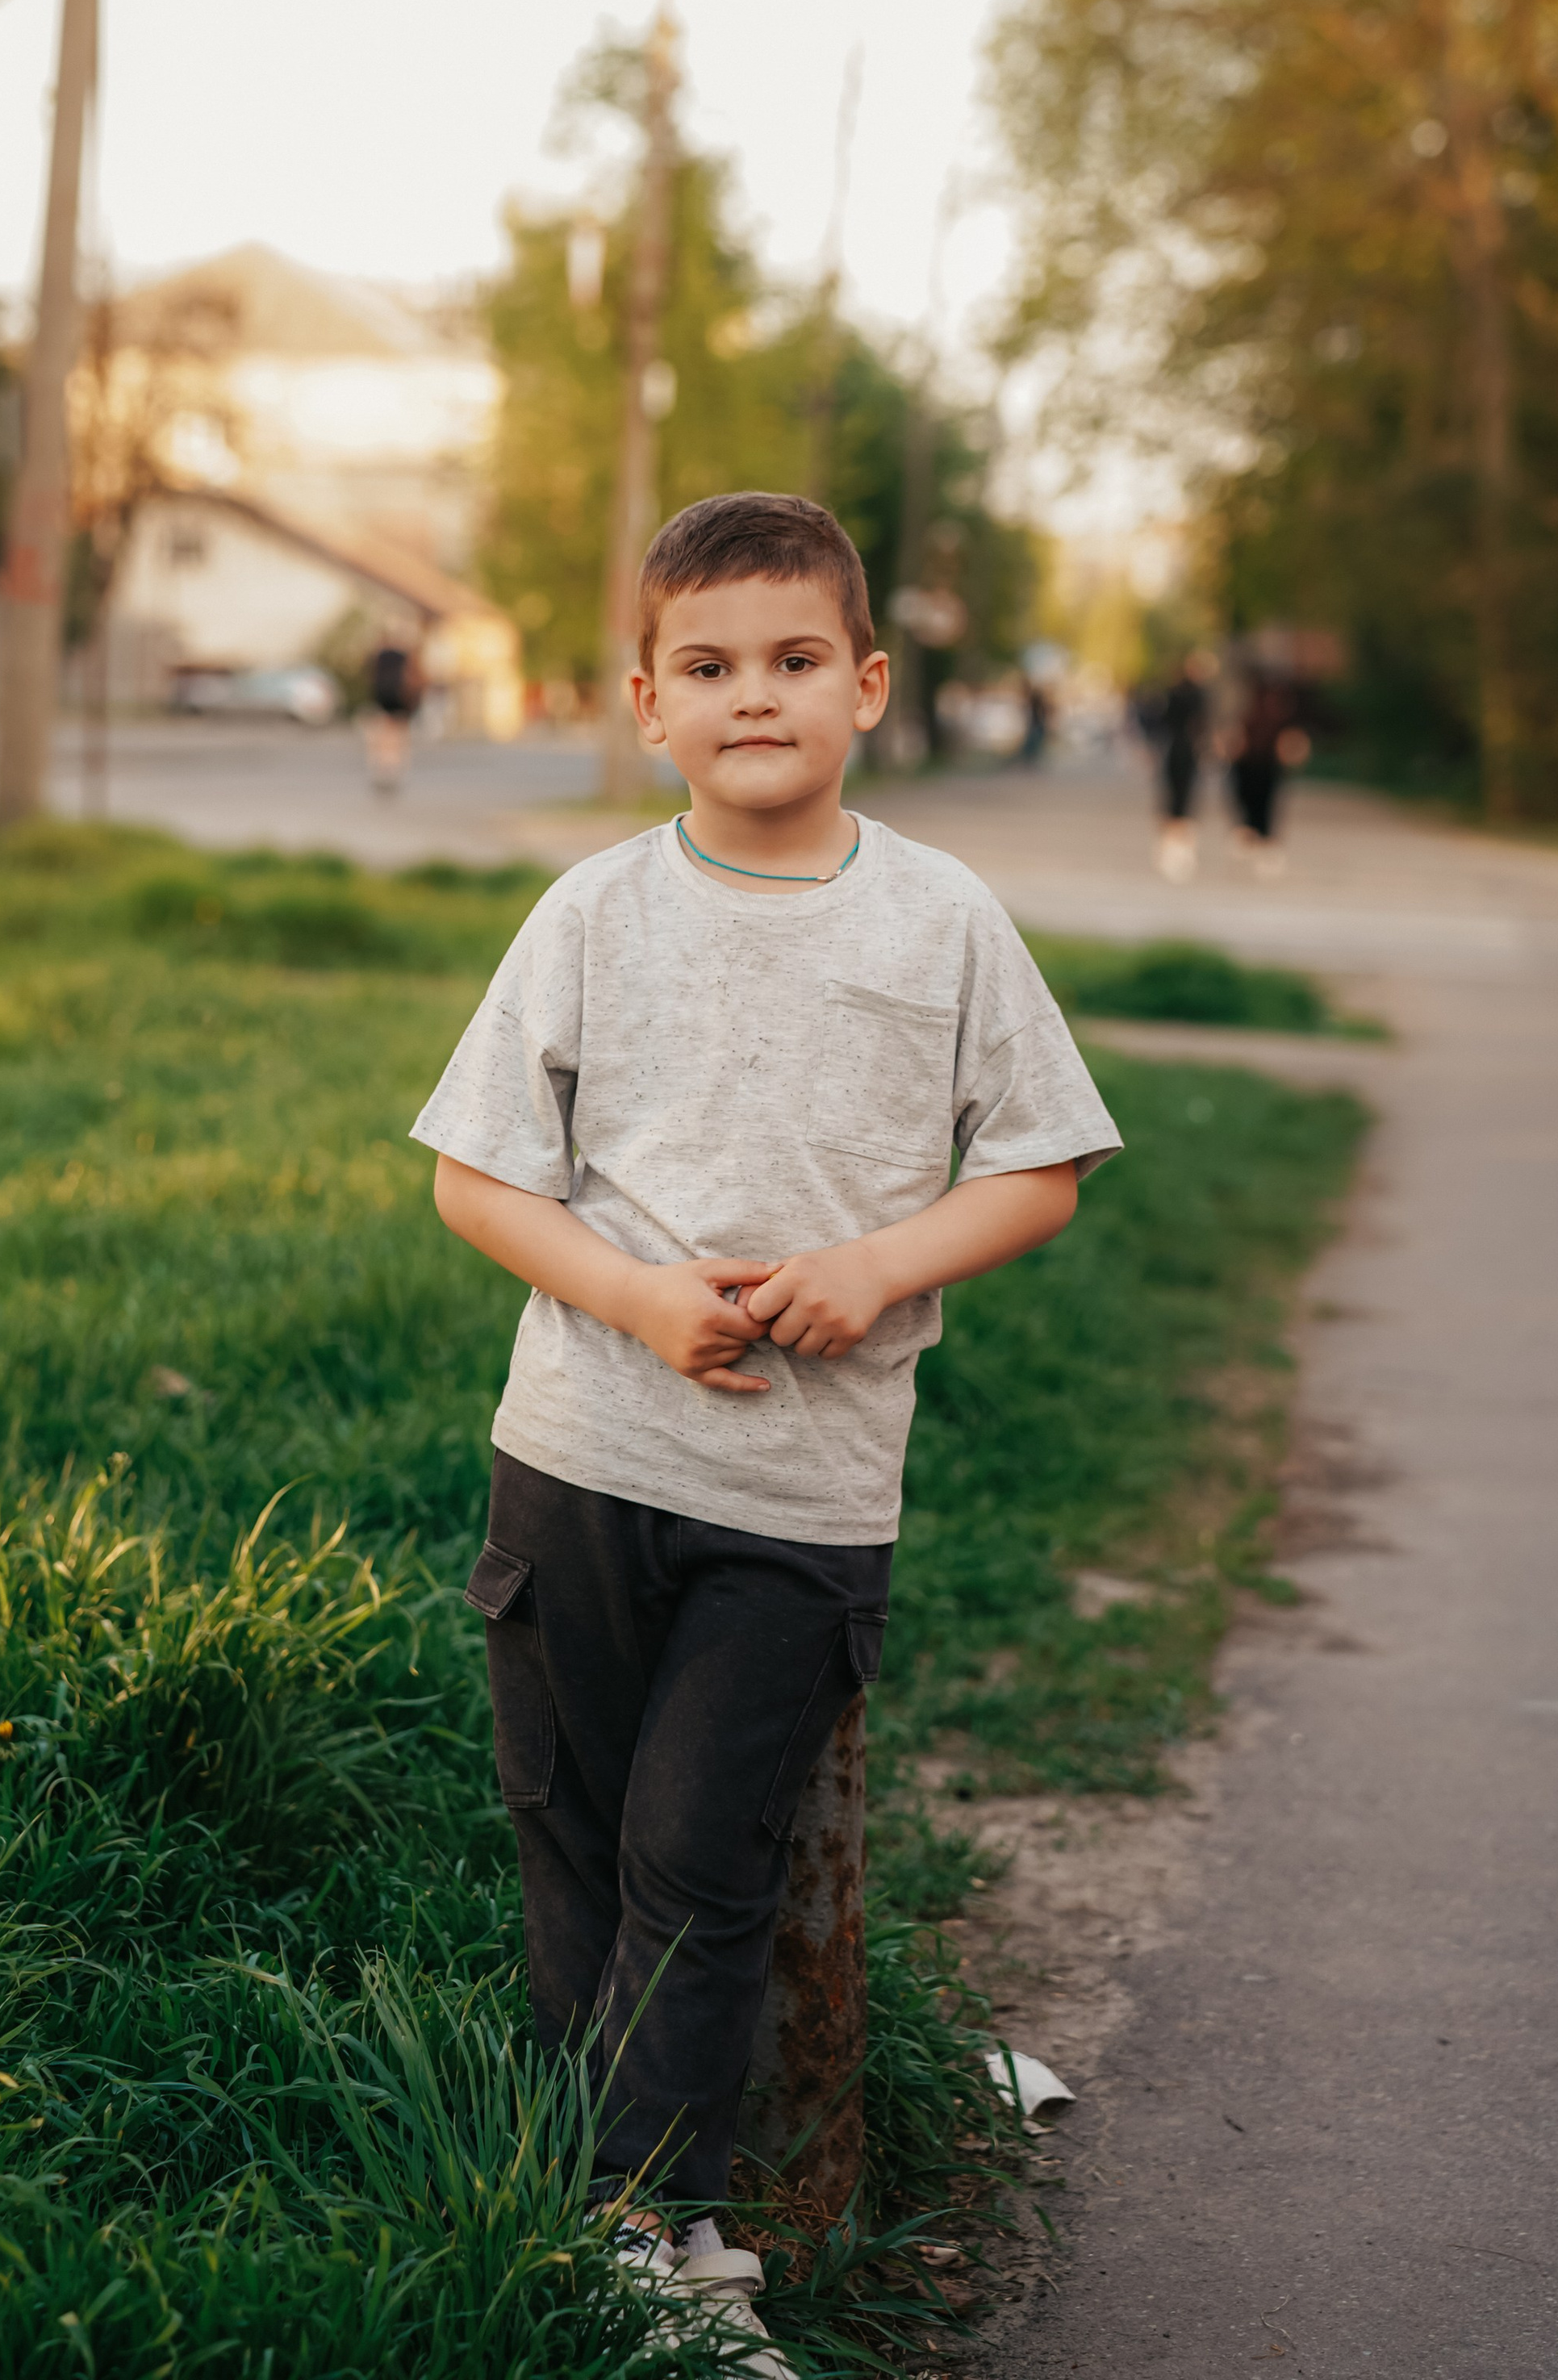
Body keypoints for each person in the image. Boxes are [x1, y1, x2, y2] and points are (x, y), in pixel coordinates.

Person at [414, 493, 1120, 2369]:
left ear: (865, 684)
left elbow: (1040, 1163)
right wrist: (639, 1297)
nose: (753, 698)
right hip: (574, 1461)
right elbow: (475, 1182)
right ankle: (585, 2198)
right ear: (646, 702)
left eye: (793, 659)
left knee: (697, 1859)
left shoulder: (940, 917)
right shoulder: (590, 913)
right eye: (708, 668)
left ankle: (665, 2233)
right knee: (570, 1838)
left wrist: (879, 1261)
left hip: (799, 1499)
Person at [1223, 669, 1309, 877]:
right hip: (1250, 762)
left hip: (1267, 763)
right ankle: (1252, 836)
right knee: (1251, 802)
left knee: (1266, 805)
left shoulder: (1280, 712)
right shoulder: (1251, 710)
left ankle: (1264, 842)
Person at [1146, 649, 1215, 882]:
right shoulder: (1194, 695)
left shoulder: (1176, 692)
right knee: (1180, 799)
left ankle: (1174, 846)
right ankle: (1176, 848)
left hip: (1179, 750)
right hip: (1183, 751)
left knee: (1178, 799)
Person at [363, 633, 421, 791]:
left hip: (383, 695)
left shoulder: (380, 655)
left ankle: (384, 765)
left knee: (385, 732)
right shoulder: (403, 655)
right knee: (398, 733)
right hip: (398, 696)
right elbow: (413, 674)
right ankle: (393, 766)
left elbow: (371, 674)